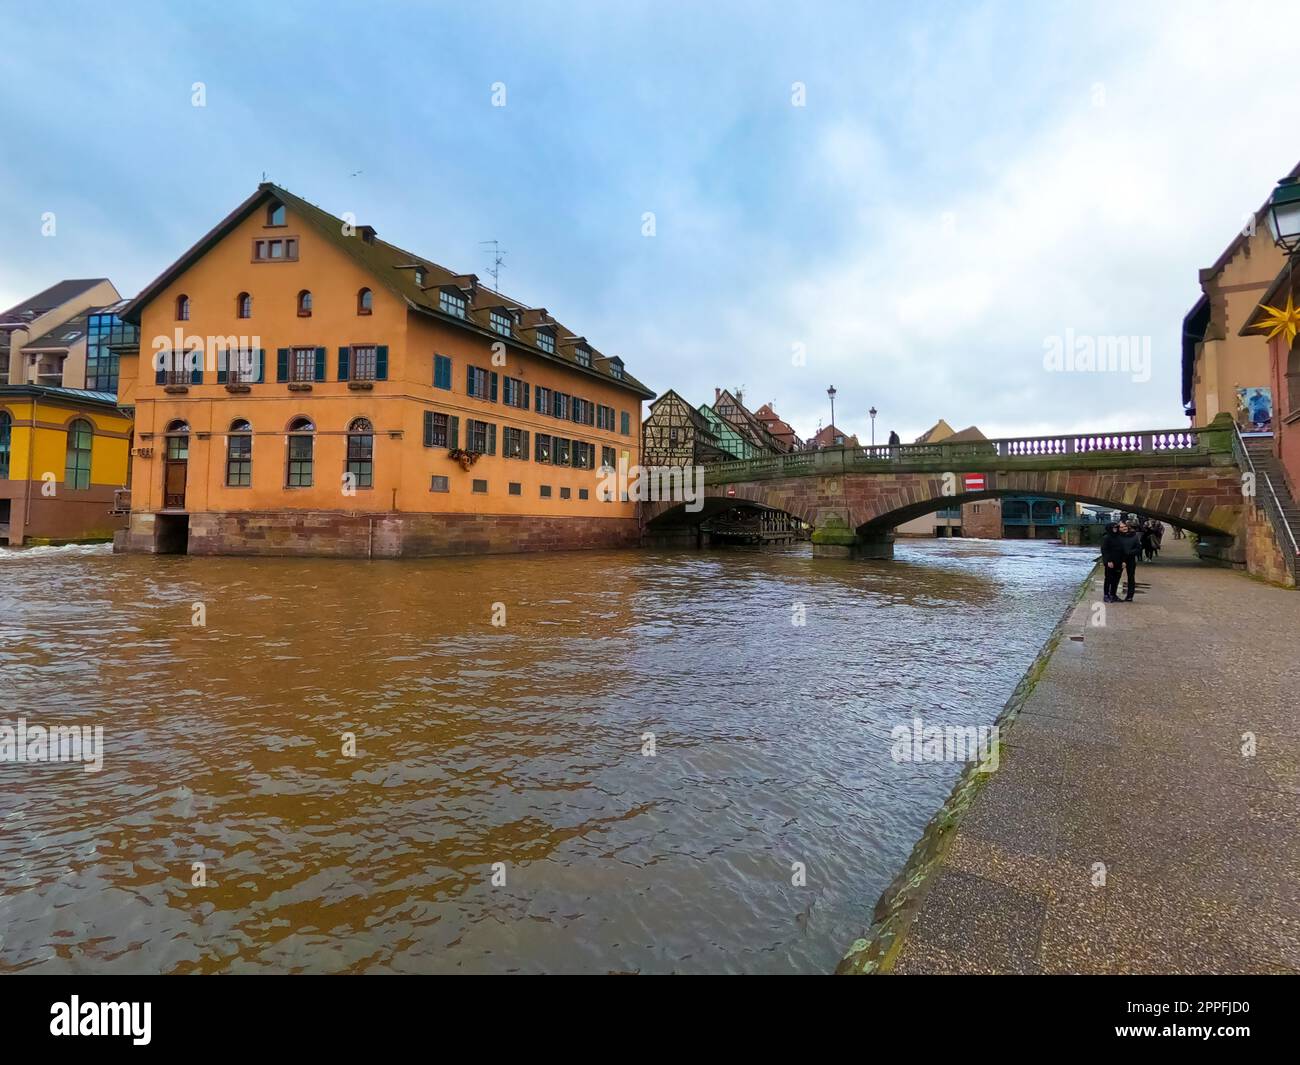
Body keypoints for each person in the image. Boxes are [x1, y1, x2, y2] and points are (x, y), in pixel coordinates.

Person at [1117, 518, 1141, 601]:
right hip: (1119, 559)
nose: (1124, 528)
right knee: (1116, 577)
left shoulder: (1134, 536)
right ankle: (1113, 594)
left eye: (1125, 527)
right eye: (1121, 527)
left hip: (1130, 559)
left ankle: (1130, 596)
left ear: (1128, 527)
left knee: (1131, 577)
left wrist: (1129, 552)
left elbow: (1138, 549)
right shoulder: (1117, 536)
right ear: (1119, 528)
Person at [1100, 521, 1126, 602]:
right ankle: (1106, 595)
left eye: (1116, 527)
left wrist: (1123, 561)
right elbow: (1104, 550)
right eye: (1113, 528)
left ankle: (1113, 594)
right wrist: (1108, 561)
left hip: (1119, 561)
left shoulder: (1119, 537)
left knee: (1116, 579)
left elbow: (1123, 550)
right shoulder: (1106, 537)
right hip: (1110, 562)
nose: (1115, 529)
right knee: (1108, 579)